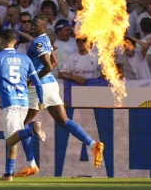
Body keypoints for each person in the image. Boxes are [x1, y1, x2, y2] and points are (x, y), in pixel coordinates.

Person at [14, 13, 104, 177]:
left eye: (35, 25)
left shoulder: (37, 43)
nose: (32, 27)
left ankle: (31, 164)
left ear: (43, 27)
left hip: (39, 86)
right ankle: (93, 145)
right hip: (52, 85)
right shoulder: (47, 40)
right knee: (64, 121)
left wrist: (31, 80)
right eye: (31, 25)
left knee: (23, 124)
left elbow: (48, 66)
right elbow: (55, 63)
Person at [0, 29, 46, 182]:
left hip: (9, 102)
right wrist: (41, 100)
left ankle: (32, 129)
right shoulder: (25, 58)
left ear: (1, 42)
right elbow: (38, 83)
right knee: (14, 136)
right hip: (23, 102)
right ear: (15, 42)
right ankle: (8, 174)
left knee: (11, 139)